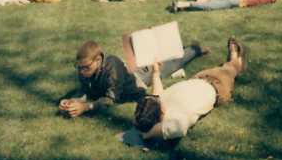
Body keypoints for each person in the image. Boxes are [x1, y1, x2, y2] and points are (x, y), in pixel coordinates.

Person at [58, 39, 209, 117]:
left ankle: (195, 49)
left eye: (86, 68)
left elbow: (111, 99)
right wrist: (73, 100)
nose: (82, 71)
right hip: (128, 73)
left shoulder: (112, 67)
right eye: (79, 67)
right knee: (155, 61)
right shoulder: (84, 67)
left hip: (141, 80)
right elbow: (85, 90)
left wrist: (86, 107)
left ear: (98, 60)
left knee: (172, 63)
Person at [133, 37, 246, 140]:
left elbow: (157, 94)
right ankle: (235, 57)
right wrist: (147, 135)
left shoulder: (157, 103)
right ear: (161, 114)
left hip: (199, 77)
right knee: (230, 70)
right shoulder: (176, 119)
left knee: (221, 69)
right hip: (218, 88)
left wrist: (156, 73)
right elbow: (180, 129)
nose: (158, 98)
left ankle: (230, 63)